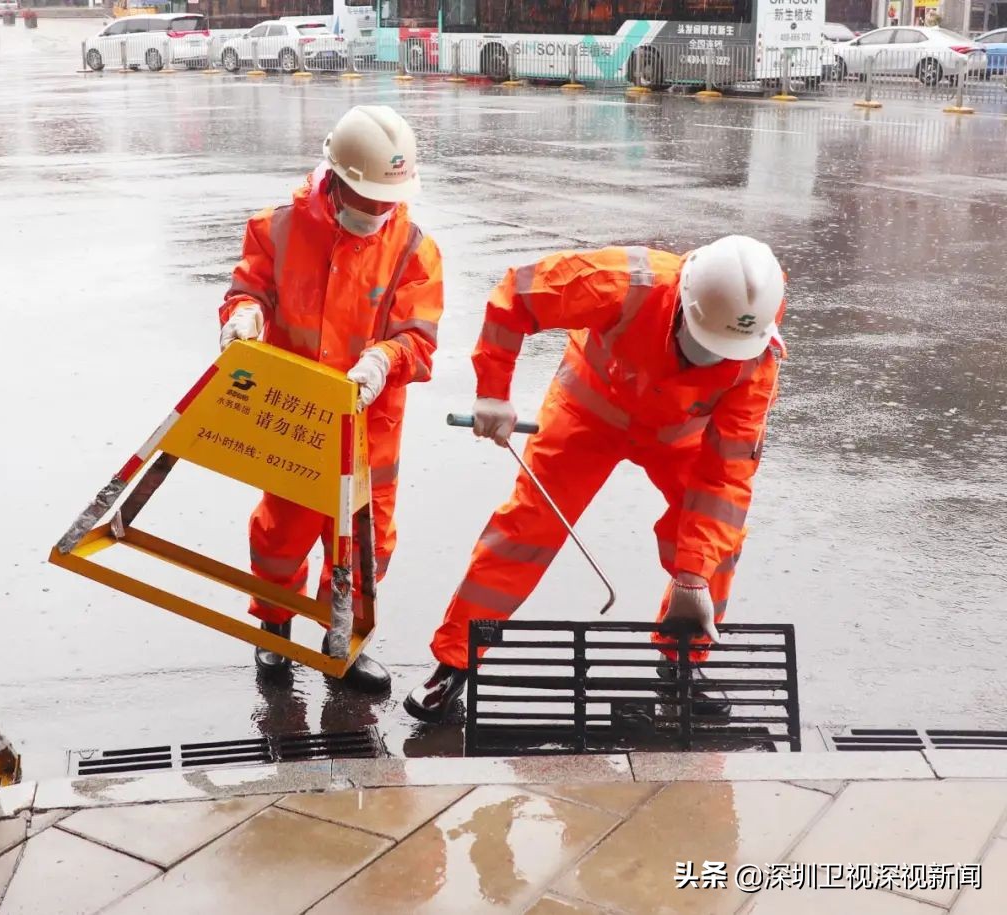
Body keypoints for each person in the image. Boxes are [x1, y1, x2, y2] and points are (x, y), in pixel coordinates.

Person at [404, 236, 786, 722]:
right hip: (589, 412)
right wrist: (493, 392)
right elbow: (517, 294)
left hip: (677, 433)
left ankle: (682, 663)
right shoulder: (624, 282)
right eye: (697, 345)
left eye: (718, 354)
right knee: (526, 528)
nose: (702, 361)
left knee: (716, 541)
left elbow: (727, 475)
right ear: (683, 304)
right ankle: (455, 659)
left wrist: (691, 576)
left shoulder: (757, 353)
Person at [220, 105, 443, 694]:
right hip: (292, 417)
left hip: (370, 429)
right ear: (337, 177)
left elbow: (419, 339)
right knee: (280, 535)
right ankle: (273, 631)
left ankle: (340, 641)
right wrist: (245, 317)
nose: (377, 212)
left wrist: (385, 359)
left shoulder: (413, 248)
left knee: (366, 547)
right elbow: (250, 290)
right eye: (367, 199)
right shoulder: (278, 227)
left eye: (386, 201)